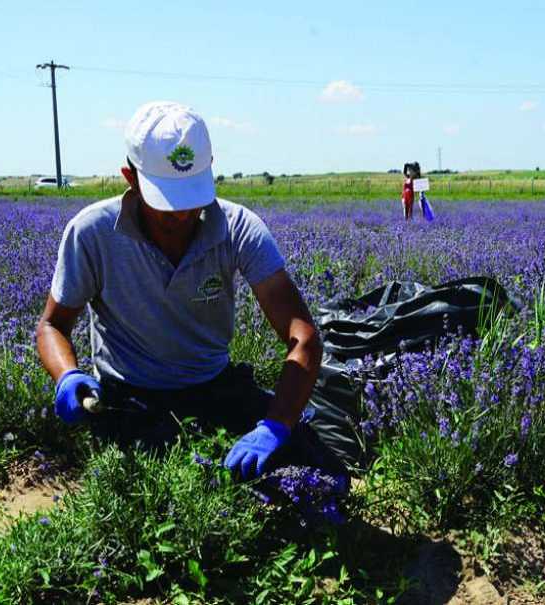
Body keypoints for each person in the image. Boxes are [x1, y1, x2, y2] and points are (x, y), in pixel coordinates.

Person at [36, 101, 329, 480]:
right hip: (132, 396)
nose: (182, 215)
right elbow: (52, 326)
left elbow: (303, 337)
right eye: (166, 202)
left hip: (214, 387)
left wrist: (275, 426)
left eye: (191, 198)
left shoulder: (238, 227)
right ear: (130, 177)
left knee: (321, 475)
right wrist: (67, 376)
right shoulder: (92, 232)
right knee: (158, 490)